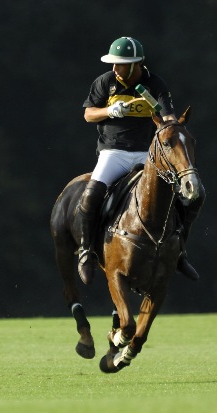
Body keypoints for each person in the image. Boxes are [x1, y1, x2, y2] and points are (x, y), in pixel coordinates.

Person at [78, 36, 205, 285]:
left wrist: (165, 118)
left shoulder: (154, 84)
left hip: (147, 154)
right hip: (113, 152)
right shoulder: (105, 82)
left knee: (189, 199)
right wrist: (110, 111)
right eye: (113, 64)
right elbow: (88, 114)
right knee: (90, 195)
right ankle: (86, 251)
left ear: (136, 64)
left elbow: (168, 117)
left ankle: (179, 253)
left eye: (120, 64)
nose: (115, 69)